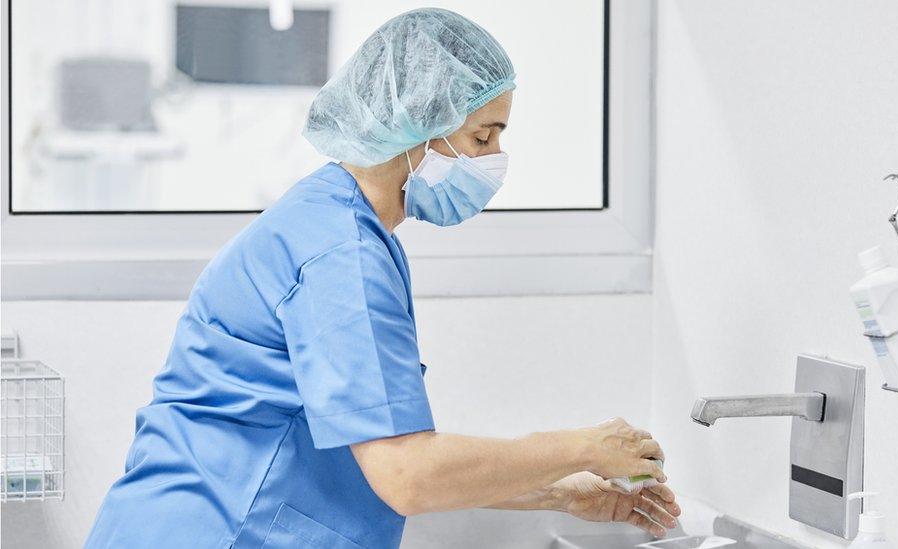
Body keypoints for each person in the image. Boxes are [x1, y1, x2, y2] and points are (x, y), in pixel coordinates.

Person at [85, 8, 678, 548]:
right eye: (482, 135)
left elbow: (373, 455)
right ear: (419, 126)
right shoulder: (340, 256)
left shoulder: (335, 224)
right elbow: (407, 475)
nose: (494, 158)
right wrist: (579, 447)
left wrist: (560, 491)